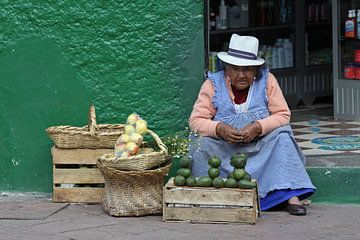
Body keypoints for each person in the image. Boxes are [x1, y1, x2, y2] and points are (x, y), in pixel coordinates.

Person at [188, 34, 315, 216]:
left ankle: (291, 196)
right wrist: (219, 129)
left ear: (256, 70)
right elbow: (195, 121)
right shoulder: (212, 84)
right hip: (225, 149)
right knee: (199, 142)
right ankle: (208, 194)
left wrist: (258, 127)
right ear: (227, 69)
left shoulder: (267, 80)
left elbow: (283, 115)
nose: (241, 75)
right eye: (236, 69)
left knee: (283, 136)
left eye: (247, 69)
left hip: (260, 146)